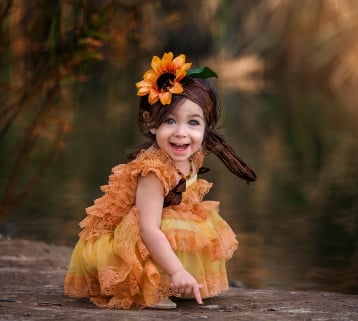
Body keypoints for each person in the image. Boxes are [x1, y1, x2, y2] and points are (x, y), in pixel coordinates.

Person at [64, 52, 256, 309]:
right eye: (170, 120)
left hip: (151, 232)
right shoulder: (153, 171)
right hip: (128, 242)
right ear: (152, 124)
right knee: (171, 226)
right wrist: (177, 270)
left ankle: (175, 279)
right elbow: (147, 229)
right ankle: (154, 283)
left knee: (196, 223)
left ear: (205, 128)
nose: (181, 133)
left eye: (193, 122)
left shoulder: (190, 156)